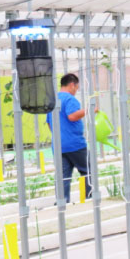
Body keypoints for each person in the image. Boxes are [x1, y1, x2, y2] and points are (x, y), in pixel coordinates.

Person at [46, 73, 94, 203]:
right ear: (72, 85)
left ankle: (62, 201)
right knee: (88, 170)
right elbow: (72, 116)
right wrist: (89, 110)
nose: (76, 91)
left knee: (63, 176)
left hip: (58, 145)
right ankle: (89, 197)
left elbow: (49, 123)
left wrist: (60, 135)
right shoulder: (70, 99)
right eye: (76, 88)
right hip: (75, 144)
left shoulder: (52, 99)